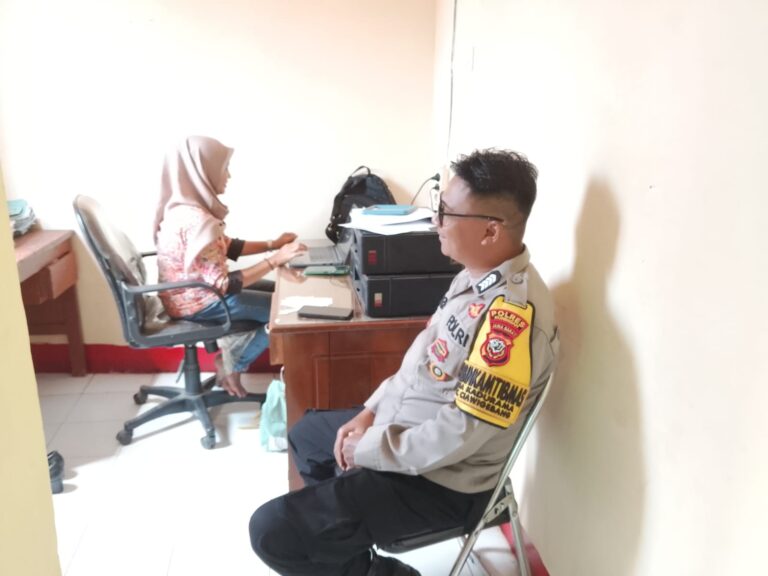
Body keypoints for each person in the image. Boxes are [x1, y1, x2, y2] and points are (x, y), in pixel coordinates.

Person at [248, 149, 560, 576]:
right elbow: (420, 363)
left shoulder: (511, 319)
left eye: (446, 213)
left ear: (490, 230)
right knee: (309, 435)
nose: (435, 222)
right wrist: (369, 413)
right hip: (406, 431)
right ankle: (356, 560)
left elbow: (460, 434)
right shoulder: (472, 275)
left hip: (443, 480)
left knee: (270, 530)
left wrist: (370, 448)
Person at [154, 135, 306, 397]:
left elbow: (228, 246)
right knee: (286, 312)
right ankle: (232, 364)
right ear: (203, 171)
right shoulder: (196, 221)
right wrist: (275, 260)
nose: (228, 175)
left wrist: (274, 243)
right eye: (224, 168)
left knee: (281, 294)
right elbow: (225, 285)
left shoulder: (184, 209)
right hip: (199, 302)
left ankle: (232, 354)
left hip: (186, 295)